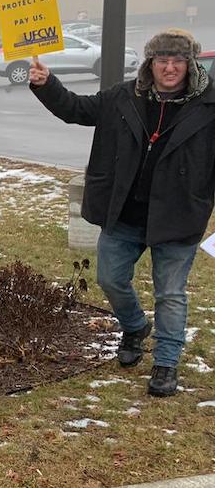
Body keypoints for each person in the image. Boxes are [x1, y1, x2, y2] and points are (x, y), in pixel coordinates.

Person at [29, 29, 215, 397]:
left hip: (178, 216)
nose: (170, 68)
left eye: (178, 61)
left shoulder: (210, 106)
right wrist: (47, 84)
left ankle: (165, 364)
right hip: (124, 212)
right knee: (110, 279)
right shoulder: (122, 96)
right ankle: (133, 326)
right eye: (162, 60)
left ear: (190, 64)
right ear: (151, 63)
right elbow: (76, 109)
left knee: (170, 294)